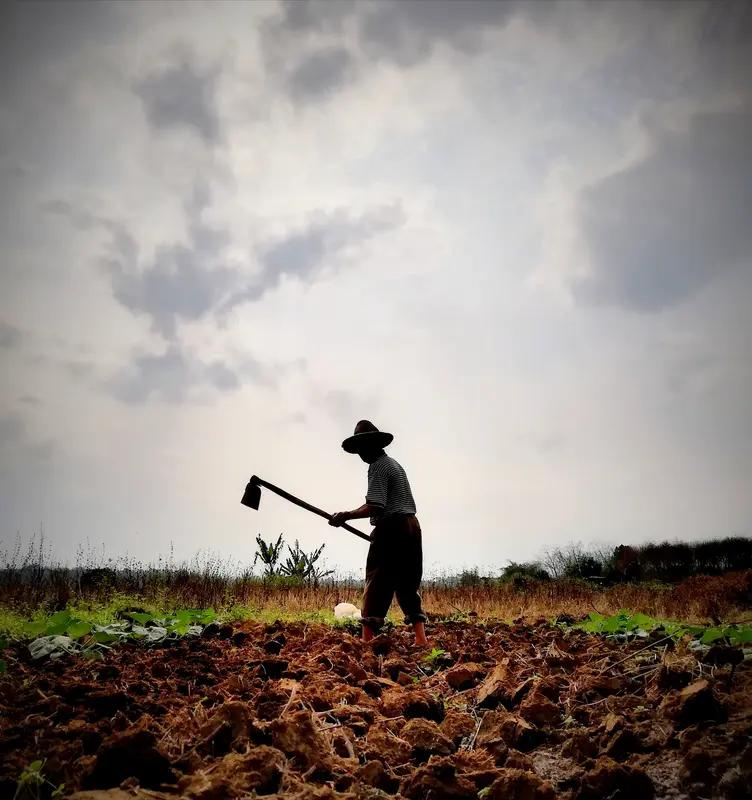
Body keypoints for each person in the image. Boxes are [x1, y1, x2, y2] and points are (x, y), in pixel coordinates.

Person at [329, 420, 429, 646]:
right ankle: (421, 639)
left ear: (372, 446)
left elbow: (376, 506)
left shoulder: (378, 466)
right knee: (407, 584)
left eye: (363, 448)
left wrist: (345, 515)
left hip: (392, 527)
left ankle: (366, 640)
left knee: (377, 581)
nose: (361, 455)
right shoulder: (394, 464)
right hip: (412, 527)